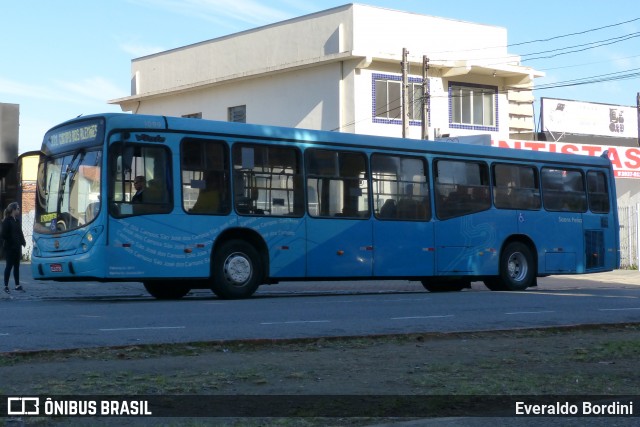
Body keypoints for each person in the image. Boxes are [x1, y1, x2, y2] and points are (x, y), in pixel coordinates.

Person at [2, 202, 26, 294]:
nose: (19, 210)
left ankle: (17, 285)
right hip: (10, 248)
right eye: (18, 208)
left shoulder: (17, 221)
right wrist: (11, 241)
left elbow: (20, 232)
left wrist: (23, 241)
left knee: (17, 266)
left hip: (17, 247)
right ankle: (6, 286)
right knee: (9, 266)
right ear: (13, 210)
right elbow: (4, 234)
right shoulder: (7, 221)